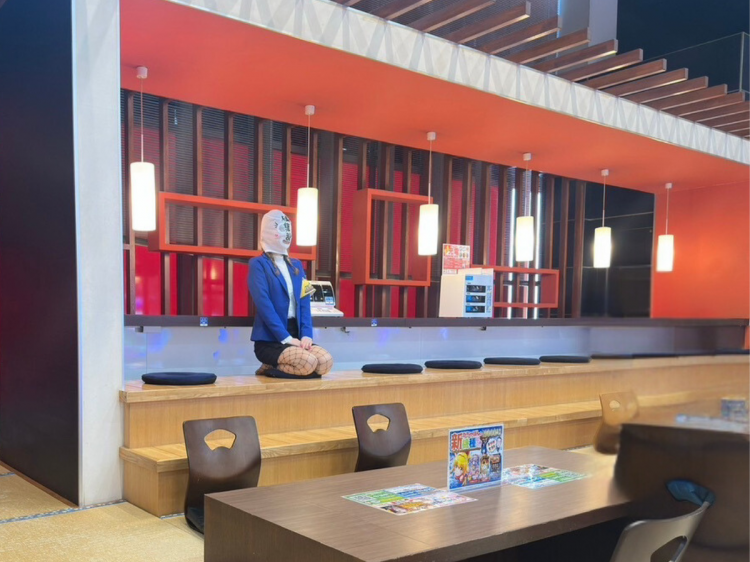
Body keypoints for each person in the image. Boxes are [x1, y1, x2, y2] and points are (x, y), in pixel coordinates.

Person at [248, 209, 334, 377]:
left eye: (288, 228)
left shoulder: (297, 265)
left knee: (325, 362)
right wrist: (286, 338)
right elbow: (264, 305)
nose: (286, 234)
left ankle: (277, 367)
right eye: (281, 228)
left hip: (297, 334)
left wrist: (307, 335)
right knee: (307, 363)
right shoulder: (257, 264)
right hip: (270, 340)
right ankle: (270, 367)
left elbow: (305, 302)